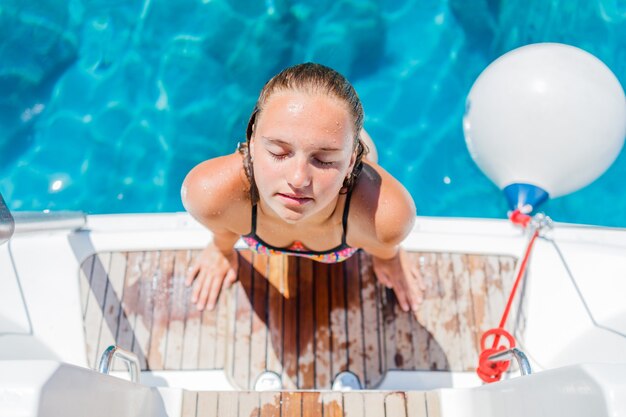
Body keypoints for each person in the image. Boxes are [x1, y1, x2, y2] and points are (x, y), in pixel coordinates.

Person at [182, 63, 425, 313]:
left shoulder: (382, 216)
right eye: (279, 152)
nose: (298, 180)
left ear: (351, 161)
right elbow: (225, 226)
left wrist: (389, 257)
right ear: (252, 143)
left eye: (324, 160)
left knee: (363, 151)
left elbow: (383, 241)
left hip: (355, 172)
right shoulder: (211, 195)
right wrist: (221, 249)